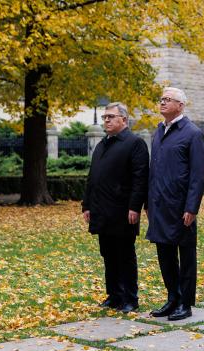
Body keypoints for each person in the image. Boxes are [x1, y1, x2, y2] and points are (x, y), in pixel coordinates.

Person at [82, 102, 149, 314]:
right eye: (105, 117)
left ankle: (130, 298)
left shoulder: (135, 143)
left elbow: (140, 179)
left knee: (125, 255)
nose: (107, 120)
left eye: (111, 117)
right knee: (108, 254)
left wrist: (135, 207)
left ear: (124, 120)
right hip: (102, 210)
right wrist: (87, 205)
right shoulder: (102, 144)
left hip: (123, 211)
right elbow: (93, 177)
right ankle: (114, 295)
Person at [146, 87, 204, 321]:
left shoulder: (192, 133)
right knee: (165, 254)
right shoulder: (159, 131)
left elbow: (198, 175)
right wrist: (148, 203)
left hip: (181, 208)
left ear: (180, 105)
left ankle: (185, 303)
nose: (162, 103)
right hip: (159, 205)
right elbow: (154, 171)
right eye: (161, 99)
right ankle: (172, 298)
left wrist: (191, 207)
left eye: (167, 99)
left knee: (186, 256)